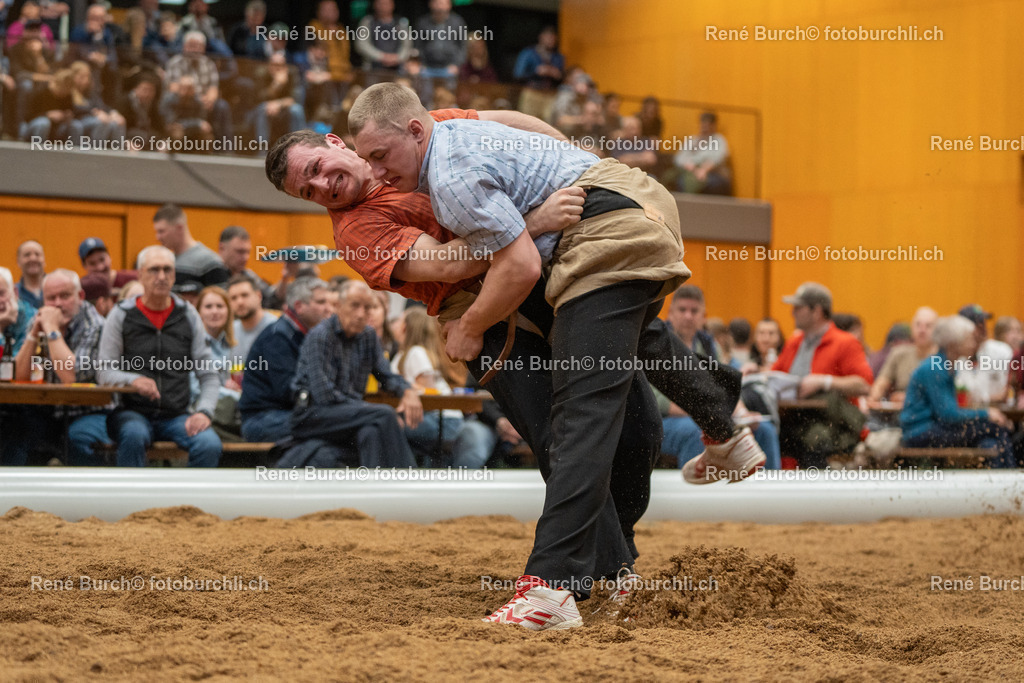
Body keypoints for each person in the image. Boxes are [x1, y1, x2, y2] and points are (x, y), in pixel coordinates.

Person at [348, 84, 763, 628]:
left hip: (592, 235)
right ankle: (723, 433)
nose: (374, 172)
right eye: (309, 189)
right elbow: (456, 261)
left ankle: (550, 589)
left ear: (412, 131)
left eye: (378, 157)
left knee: (580, 414)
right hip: (616, 212)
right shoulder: (386, 193)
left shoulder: (446, 176)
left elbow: (514, 264)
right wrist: (562, 179)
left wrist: (470, 327)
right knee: (627, 360)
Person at [97, 245, 222, 468]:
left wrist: (204, 412)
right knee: (134, 435)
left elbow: (209, 375)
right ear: (140, 275)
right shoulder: (121, 314)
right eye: (154, 270)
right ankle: (132, 502)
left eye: (168, 270)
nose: (162, 276)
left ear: (174, 275)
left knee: (209, 443)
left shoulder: (187, 314)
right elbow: (104, 371)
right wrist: (132, 380)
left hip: (177, 415)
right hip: (131, 412)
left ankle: (191, 502)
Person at [290, 280, 422, 468]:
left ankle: (375, 490)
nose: (361, 314)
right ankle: (410, 480)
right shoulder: (320, 336)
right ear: (338, 306)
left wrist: (407, 391)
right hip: (312, 414)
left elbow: (386, 376)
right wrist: (368, 410)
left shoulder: (368, 336)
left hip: (350, 414)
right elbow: (325, 396)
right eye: (355, 306)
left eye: (367, 308)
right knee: (384, 415)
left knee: (371, 431)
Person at [900, 315, 1016, 468]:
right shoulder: (934, 368)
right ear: (953, 344)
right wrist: (987, 413)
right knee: (993, 429)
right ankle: (1009, 480)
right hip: (919, 432)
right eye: (969, 339)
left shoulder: (944, 365)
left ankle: (1004, 481)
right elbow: (948, 415)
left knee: (990, 440)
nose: (974, 344)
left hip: (932, 428)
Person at [238, 278, 333, 443]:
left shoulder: (306, 334)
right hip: (262, 419)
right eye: (321, 302)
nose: (329, 309)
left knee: (337, 422)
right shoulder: (278, 336)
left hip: (285, 415)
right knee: (334, 424)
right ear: (299, 307)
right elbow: (287, 391)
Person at [391, 306, 465, 465]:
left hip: (442, 419)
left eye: (398, 320)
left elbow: (430, 394)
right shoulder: (402, 353)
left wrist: (402, 386)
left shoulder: (416, 352)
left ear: (406, 327)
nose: (393, 324)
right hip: (432, 418)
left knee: (390, 427)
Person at [867, 307, 937, 409]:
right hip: (897, 412)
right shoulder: (899, 353)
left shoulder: (943, 357)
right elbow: (881, 382)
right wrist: (873, 398)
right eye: (918, 325)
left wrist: (909, 397)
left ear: (937, 330)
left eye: (928, 326)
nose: (922, 330)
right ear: (912, 328)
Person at [153, 203, 230, 290]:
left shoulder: (209, 262)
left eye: (161, 231)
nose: (158, 237)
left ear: (179, 228)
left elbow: (221, 299)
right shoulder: (168, 261)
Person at [673, 111, 732, 195]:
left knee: (714, 184)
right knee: (681, 181)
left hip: (713, 173)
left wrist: (704, 170)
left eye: (708, 125)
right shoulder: (693, 140)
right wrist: (692, 168)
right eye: (703, 124)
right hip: (691, 172)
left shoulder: (719, 139)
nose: (705, 128)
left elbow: (719, 158)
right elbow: (679, 158)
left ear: (714, 126)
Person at [217, 226, 276, 307]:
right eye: (240, 251)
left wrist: (285, 278)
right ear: (222, 248)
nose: (245, 257)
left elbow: (272, 297)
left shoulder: (249, 275)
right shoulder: (209, 274)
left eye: (248, 252)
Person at [513, 26, 563, 121]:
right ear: (541, 37)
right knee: (527, 123)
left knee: (549, 124)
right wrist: (536, 72)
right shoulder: (528, 53)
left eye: (553, 38)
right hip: (532, 93)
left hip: (550, 94)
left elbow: (562, 78)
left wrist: (556, 74)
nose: (551, 41)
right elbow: (518, 74)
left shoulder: (558, 57)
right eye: (548, 37)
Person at [228, 273, 275, 365]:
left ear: (259, 296)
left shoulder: (275, 328)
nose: (239, 302)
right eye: (233, 298)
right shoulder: (230, 331)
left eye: (244, 295)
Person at [15, 240, 46, 310]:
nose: (33, 258)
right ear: (18, 261)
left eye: (37, 254)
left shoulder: (56, 289)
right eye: (27, 255)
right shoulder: (13, 293)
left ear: (44, 260)